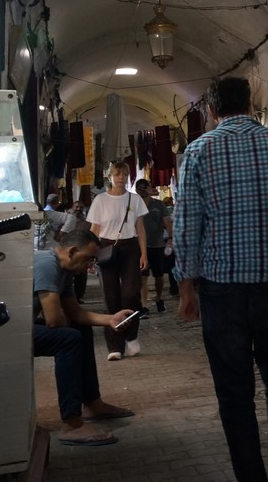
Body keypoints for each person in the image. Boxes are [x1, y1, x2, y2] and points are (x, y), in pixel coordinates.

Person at [173, 76, 268, 482]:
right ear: (251, 103)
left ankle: (250, 474)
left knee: (233, 387)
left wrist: (185, 285)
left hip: (221, 289)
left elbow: (187, 223)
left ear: (212, 110)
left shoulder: (198, 151)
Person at [33, 228, 138, 446]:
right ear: (71, 251)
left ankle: (92, 403)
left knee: (81, 330)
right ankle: (71, 424)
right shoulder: (46, 264)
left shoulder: (64, 271)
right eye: (88, 259)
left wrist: (110, 319)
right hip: (7, 330)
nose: (90, 265)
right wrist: (68, 322)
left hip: (25, 327)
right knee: (69, 338)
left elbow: (76, 313)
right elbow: (53, 319)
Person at [86, 162, 149, 360]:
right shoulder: (100, 200)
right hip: (106, 247)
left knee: (131, 294)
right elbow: (94, 230)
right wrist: (89, 255)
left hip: (130, 247)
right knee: (111, 297)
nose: (121, 177)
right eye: (117, 174)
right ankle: (115, 346)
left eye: (124, 174)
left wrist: (143, 253)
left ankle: (131, 336)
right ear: (110, 177)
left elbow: (140, 229)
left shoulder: (135, 199)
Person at [135, 178, 172, 313]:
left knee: (159, 276)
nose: (143, 190)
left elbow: (167, 222)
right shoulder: (133, 205)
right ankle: (144, 305)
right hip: (140, 246)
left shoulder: (159, 205)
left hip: (157, 245)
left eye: (145, 187)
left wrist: (170, 238)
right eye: (140, 188)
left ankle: (159, 298)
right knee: (142, 275)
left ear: (150, 188)